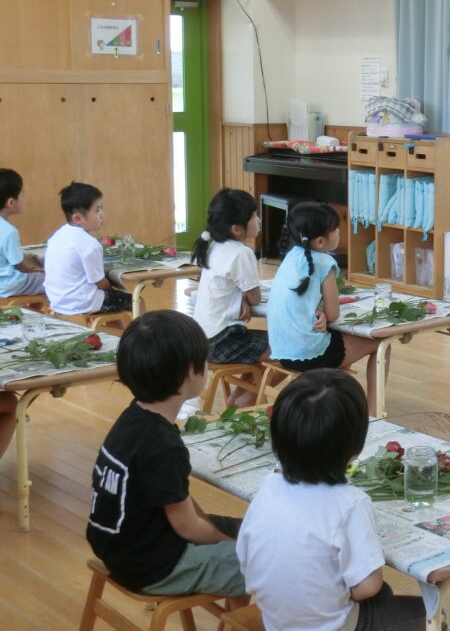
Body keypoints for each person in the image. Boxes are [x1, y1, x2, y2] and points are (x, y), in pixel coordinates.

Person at [236, 368, 426, 631]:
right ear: (355, 445)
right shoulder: (349, 503)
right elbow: (367, 586)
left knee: (384, 596)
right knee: (429, 614)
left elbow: (246, 560)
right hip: (328, 626)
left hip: (277, 621)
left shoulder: (269, 487)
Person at [86, 310, 247, 599]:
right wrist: (225, 542)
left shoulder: (132, 418)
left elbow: (175, 501)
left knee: (247, 528)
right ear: (189, 372)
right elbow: (187, 527)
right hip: (152, 566)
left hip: (119, 549)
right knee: (271, 563)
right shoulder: (162, 445)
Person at [267, 201, 387, 415]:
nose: (340, 232)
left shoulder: (290, 257)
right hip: (312, 355)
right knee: (381, 343)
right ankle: (373, 412)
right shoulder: (324, 262)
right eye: (335, 229)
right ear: (321, 241)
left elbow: (308, 303)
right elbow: (334, 314)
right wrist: (326, 311)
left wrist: (320, 308)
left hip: (281, 352)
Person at [191, 188, 268, 406]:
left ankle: (239, 398)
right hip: (223, 339)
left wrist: (241, 298)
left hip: (204, 339)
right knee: (281, 348)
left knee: (263, 349)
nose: (258, 220)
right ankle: (245, 401)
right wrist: (245, 298)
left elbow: (238, 291)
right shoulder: (241, 253)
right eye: (254, 216)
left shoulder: (216, 246)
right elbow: (255, 298)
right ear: (237, 229)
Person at [44, 181, 133, 316]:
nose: (102, 214)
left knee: (114, 298)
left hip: (57, 300)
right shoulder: (89, 244)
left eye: (101, 208)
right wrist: (113, 289)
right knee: (136, 301)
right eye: (97, 210)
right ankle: (143, 337)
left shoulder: (58, 235)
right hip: (82, 302)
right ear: (78, 218)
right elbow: (99, 282)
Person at [0, 168, 44, 298]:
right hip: (9, 284)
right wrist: (35, 270)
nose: (24, 199)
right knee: (52, 279)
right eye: (22, 195)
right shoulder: (9, 232)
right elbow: (19, 265)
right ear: (11, 202)